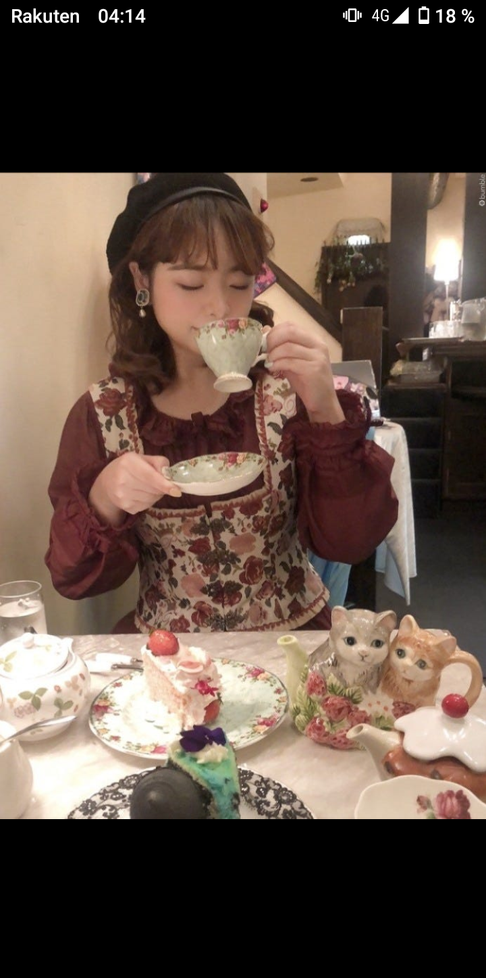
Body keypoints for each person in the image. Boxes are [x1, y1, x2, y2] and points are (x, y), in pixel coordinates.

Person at [45, 172, 398, 633]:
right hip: (169, 656)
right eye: (192, 284)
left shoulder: (286, 393)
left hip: (289, 644)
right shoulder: (105, 414)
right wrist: (106, 496)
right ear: (141, 278)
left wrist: (326, 411)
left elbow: (351, 543)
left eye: (239, 283)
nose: (220, 307)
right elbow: (72, 578)